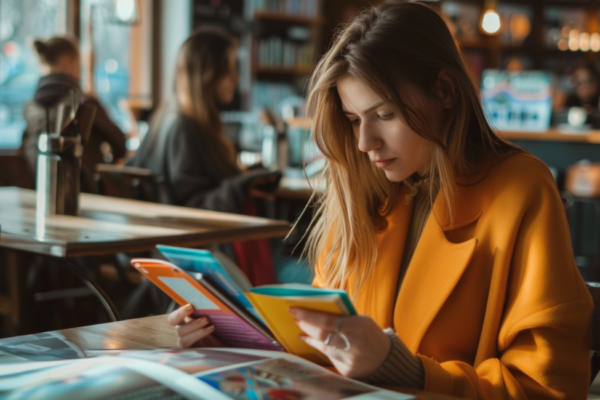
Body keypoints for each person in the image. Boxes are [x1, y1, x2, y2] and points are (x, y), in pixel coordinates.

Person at [167, 2, 592, 399]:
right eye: (353, 120)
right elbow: (318, 348)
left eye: (384, 114)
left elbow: (548, 387)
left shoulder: (521, 190)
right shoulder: (363, 192)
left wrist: (406, 370)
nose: (365, 142)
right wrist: (231, 339)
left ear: (444, 91)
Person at [128, 27, 279, 214]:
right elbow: (191, 208)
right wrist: (240, 185)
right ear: (207, 73)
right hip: (191, 241)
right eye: (229, 69)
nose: (236, 78)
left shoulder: (169, 116)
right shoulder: (182, 127)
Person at [22, 36, 127, 191]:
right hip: (83, 194)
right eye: (80, 64)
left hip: (39, 192)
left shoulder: (31, 106)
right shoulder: (83, 102)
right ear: (67, 61)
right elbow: (119, 142)